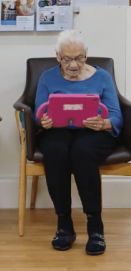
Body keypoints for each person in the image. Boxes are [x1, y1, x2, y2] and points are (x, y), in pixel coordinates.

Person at [35, 30, 122, 255]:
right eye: (67, 59)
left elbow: (116, 115)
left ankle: (95, 227)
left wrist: (104, 123)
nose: (74, 65)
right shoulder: (47, 77)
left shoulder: (102, 77)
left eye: (79, 58)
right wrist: (43, 121)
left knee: (82, 151)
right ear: (57, 56)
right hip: (58, 131)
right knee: (56, 151)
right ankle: (64, 225)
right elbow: (38, 113)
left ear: (86, 54)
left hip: (94, 132)